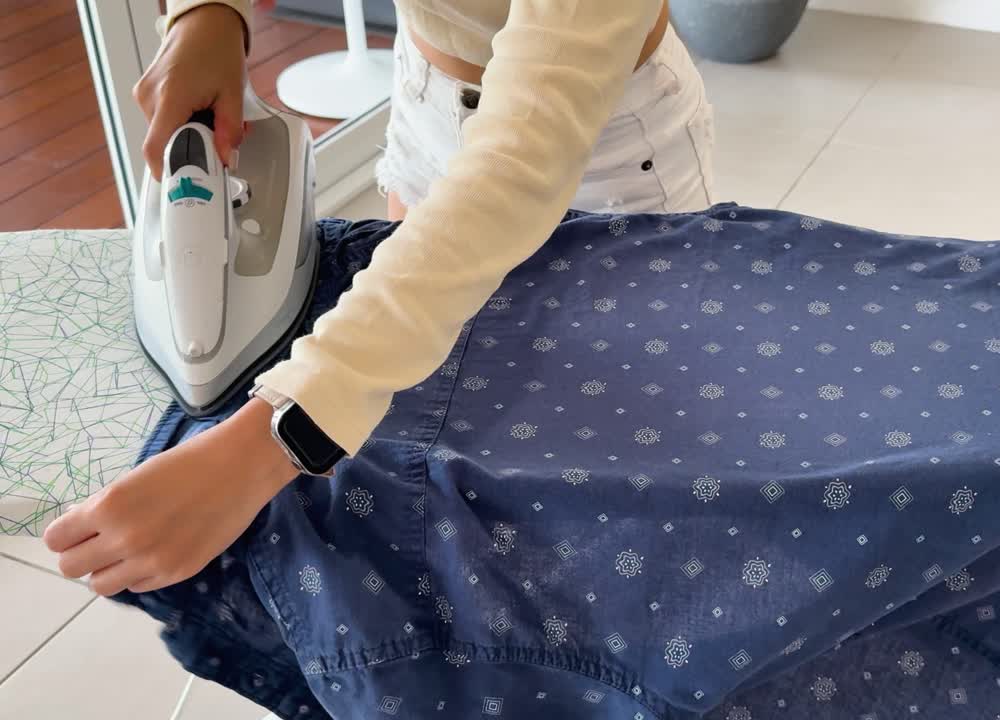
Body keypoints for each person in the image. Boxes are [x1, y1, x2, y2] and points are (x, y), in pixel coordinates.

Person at [44, 0, 712, 596]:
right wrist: (209, 16)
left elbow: (516, 163)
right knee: (456, 441)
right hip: (428, 99)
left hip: (590, 138)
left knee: (607, 484)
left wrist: (265, 446)